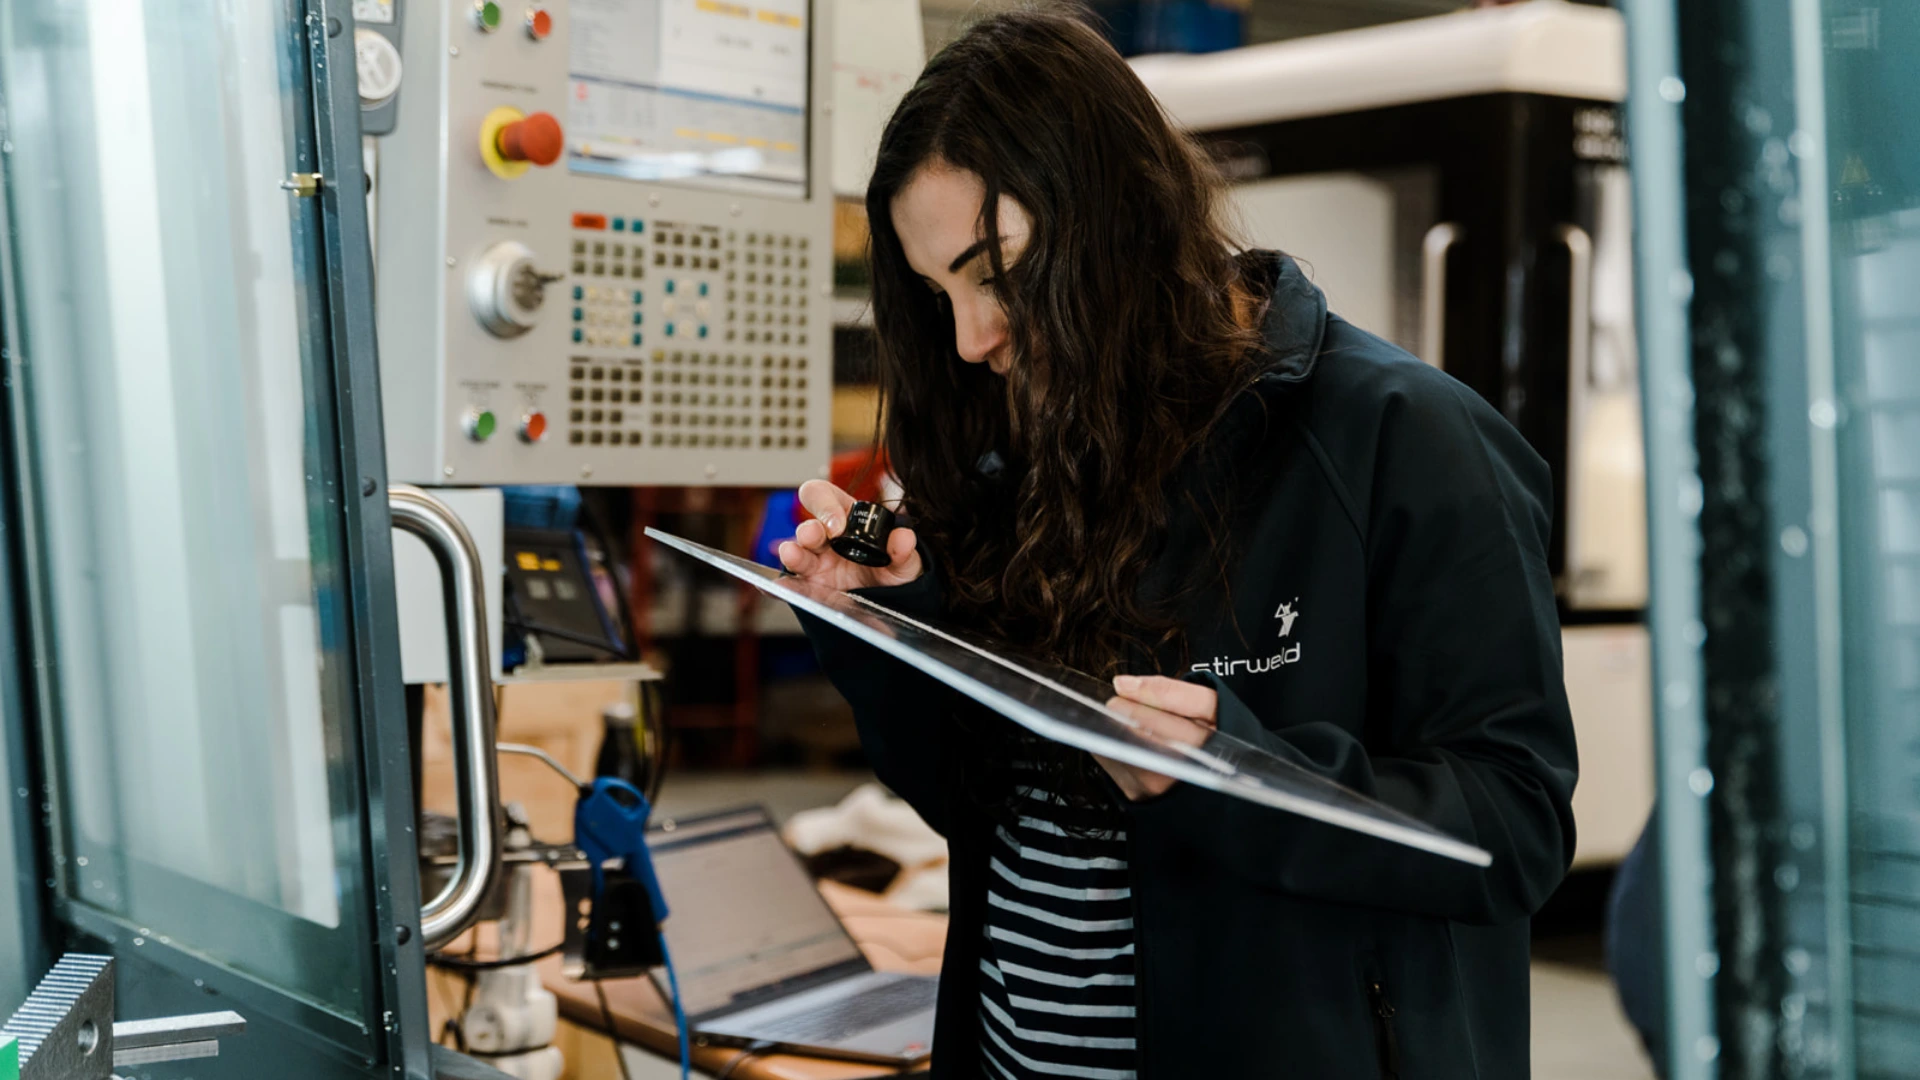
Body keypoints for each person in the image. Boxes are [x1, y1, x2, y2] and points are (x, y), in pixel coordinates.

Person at [779, 10, 1578, 1078]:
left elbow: (1513, 829)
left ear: (1120, 212)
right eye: (941, 296)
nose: (973, 341)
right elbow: (977, 807)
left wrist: (1232, 775)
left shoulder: (1408, 440)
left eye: (997, 272)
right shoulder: (1028, 454)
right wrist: (890, 628)